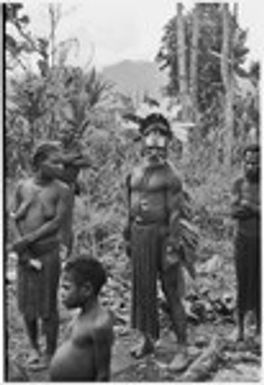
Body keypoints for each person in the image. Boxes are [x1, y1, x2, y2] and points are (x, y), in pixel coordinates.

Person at [123, 111, 198, 371]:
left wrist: (173, 245)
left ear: (168, 140)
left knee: (172, 293)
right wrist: (127, 235)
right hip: (139, 235)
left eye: (161, 135)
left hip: (163, 236)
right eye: (150, 135)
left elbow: (176, 213)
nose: (155, 140)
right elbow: (129, 205)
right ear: (142, 139)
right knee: (143, 291)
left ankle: (183, 348)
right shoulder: (134, 171)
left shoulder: (171, 175)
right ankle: (147, 340)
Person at [10, 141, 70, 369]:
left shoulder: (61, 190)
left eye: (60, 163)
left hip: (47, 254)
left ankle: (51, 351)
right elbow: (13, 216)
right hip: (26, 256)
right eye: (53, 162)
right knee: (27, 306)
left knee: (47, 307)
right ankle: (33, 347)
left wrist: (29, 239)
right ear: (38, 162)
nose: (58, 167)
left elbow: (56, 222)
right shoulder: (22, 186)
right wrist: (20, 244)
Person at [49, 256, 114, 382]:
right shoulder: (81, 314)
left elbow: (103, 374)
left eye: (66, 288)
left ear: (86, 290)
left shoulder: (99, 325)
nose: (61, 294)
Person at [231, 143, 261, 341]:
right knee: (242, 283)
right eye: (248, 163)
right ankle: (240, 327)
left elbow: (246, 209)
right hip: (242, 240)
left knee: (259, 283)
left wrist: (249, 206)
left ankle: (259, 328)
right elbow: (234, 211)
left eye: (256, 163)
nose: (251, 167)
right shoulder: (238, 184)